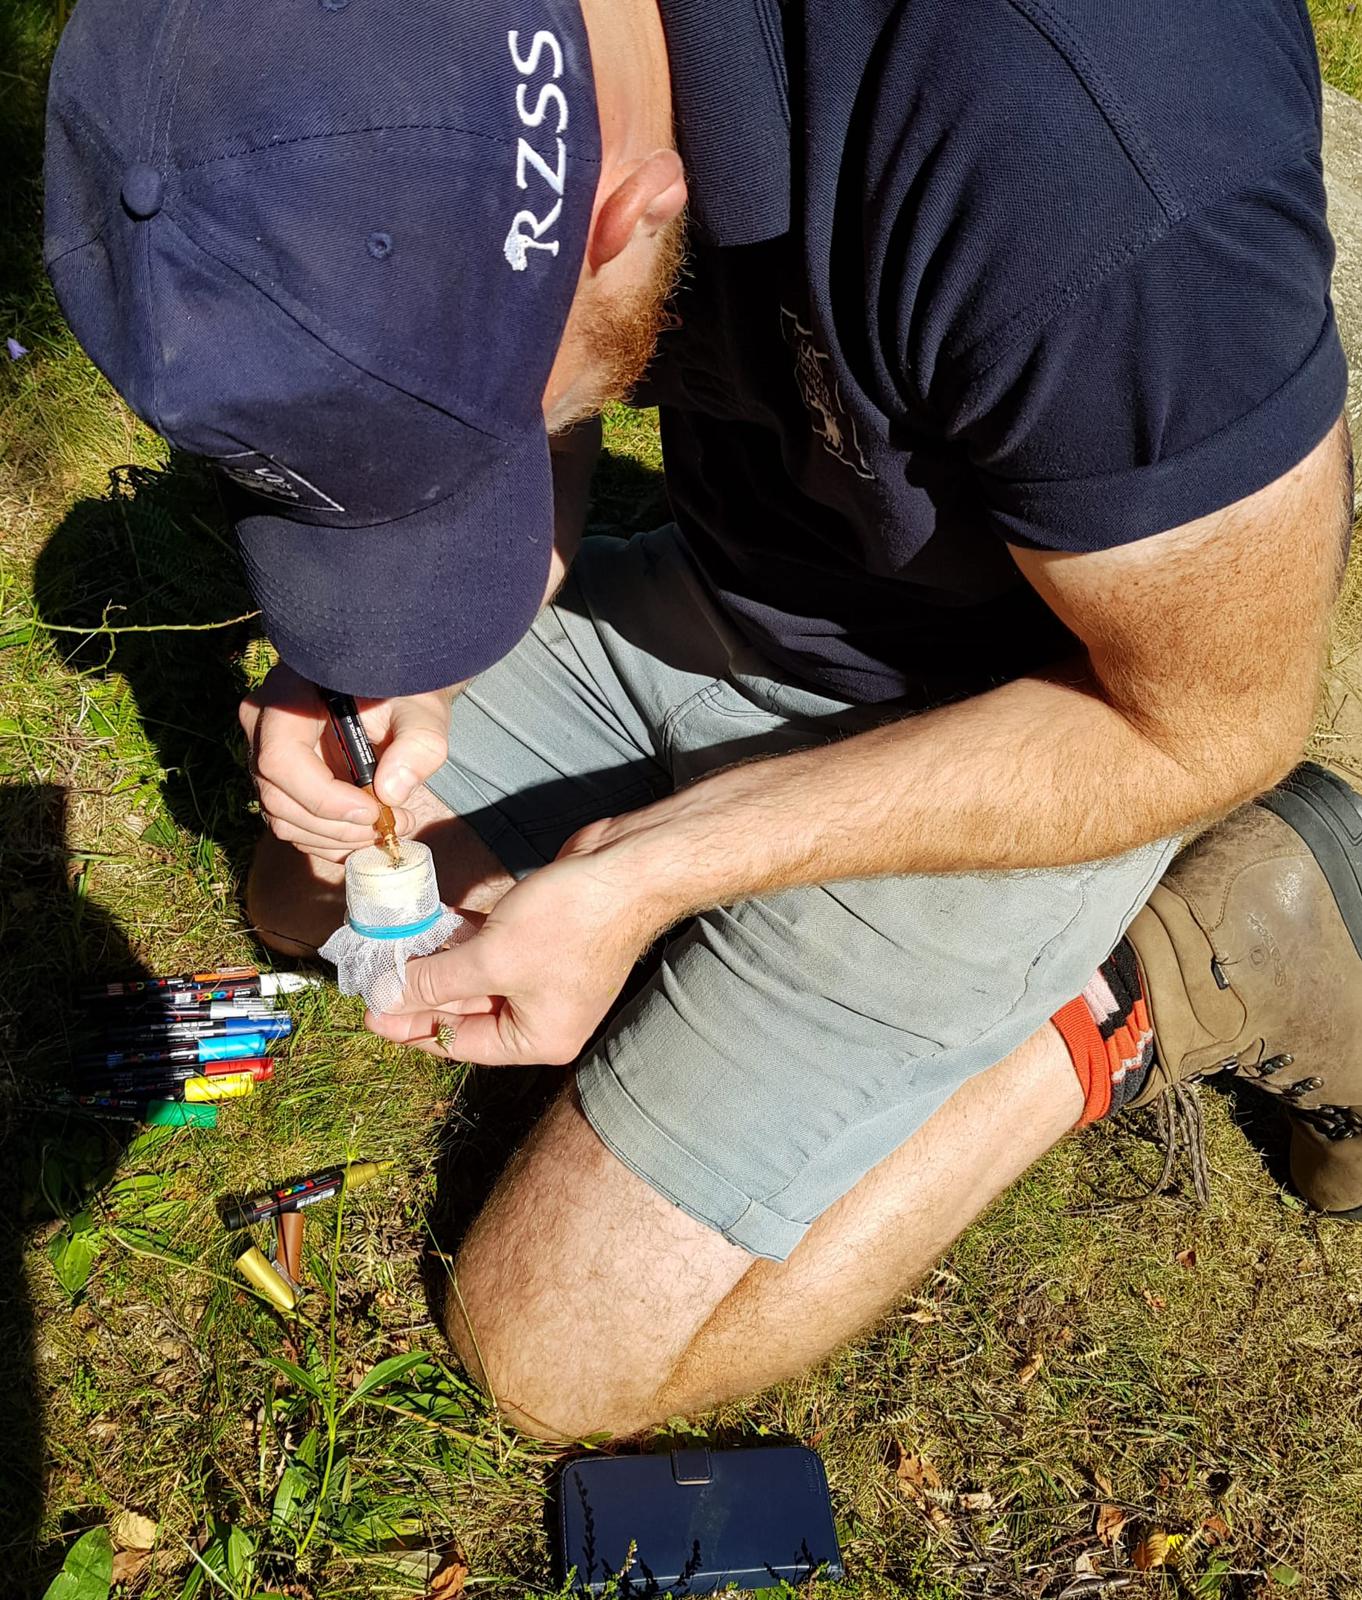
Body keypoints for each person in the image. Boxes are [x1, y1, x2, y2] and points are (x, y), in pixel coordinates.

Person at [45, 0, 1362, 1441]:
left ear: (621, 215)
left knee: (545, 1357)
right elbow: (499, 314)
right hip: (745, 579)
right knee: (300, 902)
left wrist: (655, 864)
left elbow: (1209, 722)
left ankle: (1175, 968)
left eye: (454, 445)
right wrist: (403, 656)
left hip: (1033, 714)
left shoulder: (1097, 180)